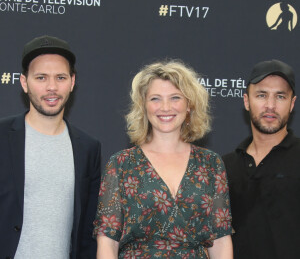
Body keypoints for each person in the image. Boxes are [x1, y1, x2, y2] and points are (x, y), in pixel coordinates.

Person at [94, 60, 233, 258]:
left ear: (189, 106)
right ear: (144, 106)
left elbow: (220, 239)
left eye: (175, 98)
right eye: (155, 99)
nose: (165, 107)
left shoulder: (210, 164)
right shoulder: (121, 164)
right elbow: (107, 241)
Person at [0, 35, 101, 259]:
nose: (52, 87)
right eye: (41, 78)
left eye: (61, 77)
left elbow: (87, 232)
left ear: (72, 82)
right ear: (24, 83)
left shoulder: (88, 148)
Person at [223, 59, 299, 259]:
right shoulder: (224, 166)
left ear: (292, 104)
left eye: (280, 96)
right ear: (247, 101)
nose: (270, 106)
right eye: (262, 95)